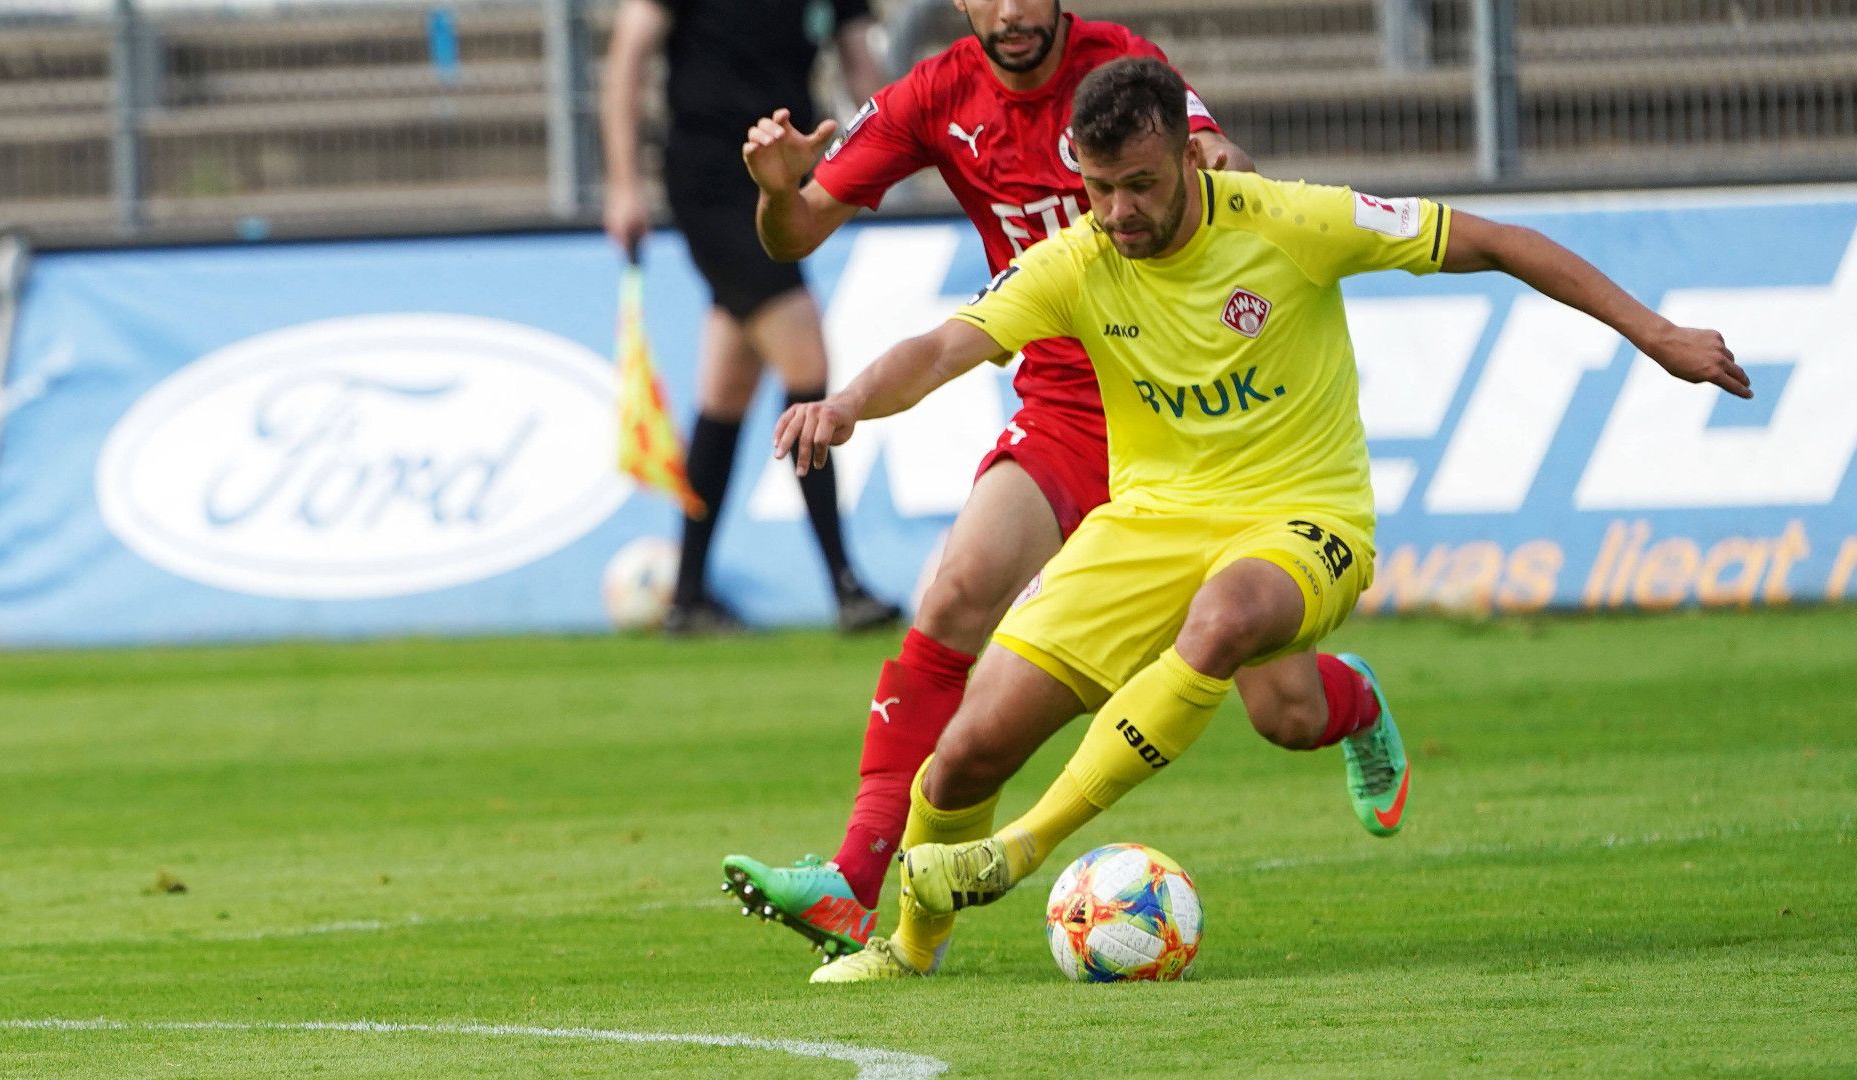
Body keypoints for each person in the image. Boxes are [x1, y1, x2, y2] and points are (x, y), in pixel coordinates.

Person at [776, 57, 1752, 982]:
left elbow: (1496, 242)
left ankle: (1026, 845)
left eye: (1141, 186)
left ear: (1190, 156)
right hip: (1150, 525)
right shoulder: (1077, 258)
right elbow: (946, 345)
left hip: (1302, 516)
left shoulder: (1292, 221)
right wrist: (848, 404)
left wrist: (1657, 334)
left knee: (1228, 619)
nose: (1119, 211)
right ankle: (909, 947)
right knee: (969, 752)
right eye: (1101, 187)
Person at [716, 0, 1263, 962]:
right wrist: (774, 191)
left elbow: (1224, 163)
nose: (1009, 11)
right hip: (1066, 406)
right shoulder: (935, 94)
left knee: (1285, 707)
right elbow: (796, 233)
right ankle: (854, 884)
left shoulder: (1124, 66)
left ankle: (1349, 701)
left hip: (1185, 404)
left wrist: (1215, 165)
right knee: (959, 592)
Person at [600, 0, 903, 634]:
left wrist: (900, 146)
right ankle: (845, 585)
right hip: (711, 179)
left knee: (727, 389)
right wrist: (623, 184)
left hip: (785, 183)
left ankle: (687, 595)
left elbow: (859, 66)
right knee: (808, 362)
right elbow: (628, 57)